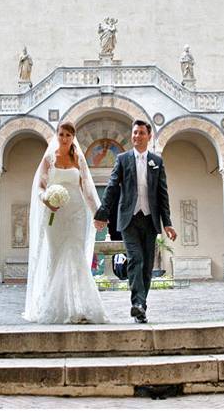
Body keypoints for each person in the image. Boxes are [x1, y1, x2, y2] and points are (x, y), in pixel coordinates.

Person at [23, 122, 108, 324]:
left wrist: (97, 213)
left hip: (76, 212)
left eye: (68, 135)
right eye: (61, 134)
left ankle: (82, 306)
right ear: (57, 135)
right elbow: (40, 187)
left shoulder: (78, 158)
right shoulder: (49, 159)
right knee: (57, 254)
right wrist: (47, 200)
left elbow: (87, 189)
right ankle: (55, 307)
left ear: (73, 137)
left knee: (75, 254)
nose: (64, 138)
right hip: (55, 213)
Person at [94, 120, 177, 323]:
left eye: (141, 133)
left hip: (150, 220)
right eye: (134, 133)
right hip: (129, 219)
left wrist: (167, 222)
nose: (137, 136)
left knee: (147, 266)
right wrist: (102, 213)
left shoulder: (157, 161)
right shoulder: (123, 159)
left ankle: (142, 307)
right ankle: (136, 304)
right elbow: (112, 187)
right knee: (136, 260)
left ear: (149, 136)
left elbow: (162, 194)